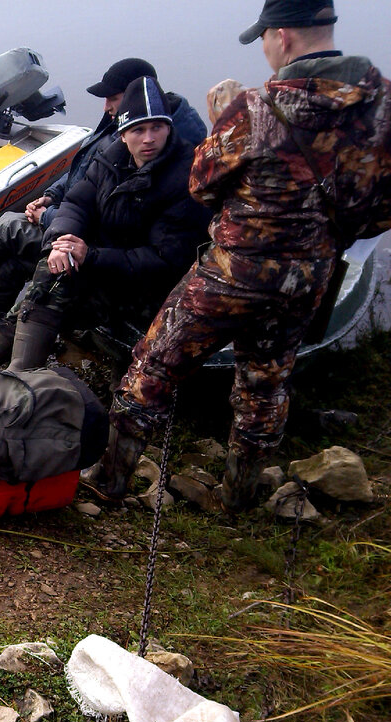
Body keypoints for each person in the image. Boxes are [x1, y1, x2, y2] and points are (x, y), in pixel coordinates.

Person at [84, 0, 391, 511]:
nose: (266, 49)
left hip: (233, 274)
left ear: (284, 37)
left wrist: (220, 118)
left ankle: (109, 480)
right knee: (265, 383)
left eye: (265, 39)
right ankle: (239, 494)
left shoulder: (254, 109)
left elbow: (201, 185)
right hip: (306, 279)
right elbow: (378, 212)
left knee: (153, 366)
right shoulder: (382, 109)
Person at [0, 58, 207, 355]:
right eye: (138, 129)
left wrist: (51, 222)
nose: (106, 106)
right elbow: (84, 178)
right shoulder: (123, 132)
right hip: (81, 236)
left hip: (107, 262)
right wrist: (53, 197)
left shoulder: (166, 155)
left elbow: (129, 233)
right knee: (11, 239)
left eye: (113, 98)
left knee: (15, 239)